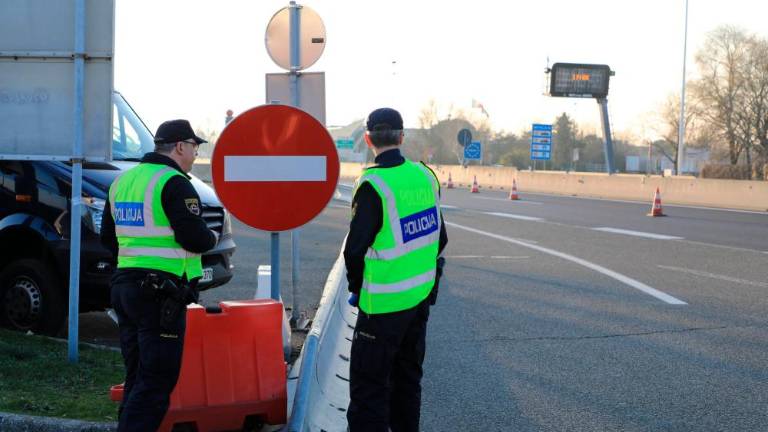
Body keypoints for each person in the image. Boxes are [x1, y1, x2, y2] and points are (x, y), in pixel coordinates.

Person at [100, 119, 219, 432]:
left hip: (125, 289)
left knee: (137, 378)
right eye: (194, 147)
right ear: (180, 146)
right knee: (155, 384)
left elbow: (108, 240)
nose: (195, 155)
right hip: (159, 296)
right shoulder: (175, 182)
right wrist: (213, 238)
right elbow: (194, 237)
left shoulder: (122, 182)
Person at [344, 107, 448, 432]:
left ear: (367, 139)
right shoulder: (425, 175)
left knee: (369, 390)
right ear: (402, 137)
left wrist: (357, 288)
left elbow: (355, 250)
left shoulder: (373, 184)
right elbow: (440, 237)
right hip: (419, 301)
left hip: (382, 307)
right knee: (407, 381)